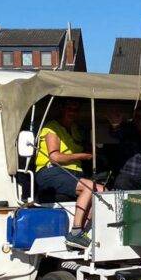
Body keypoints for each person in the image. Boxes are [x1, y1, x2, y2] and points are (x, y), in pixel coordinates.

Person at [34, 99, 104, 248]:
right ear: (62, 109)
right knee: (89, 187)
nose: (72, 112)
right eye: (69, 108)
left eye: (76, 109)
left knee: (102, 191)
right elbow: (55, 157)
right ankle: (75, 232)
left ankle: (87, 231)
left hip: (72, 173)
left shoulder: (75, 130)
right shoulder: (51, 128)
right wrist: (83, 155)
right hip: (51, 171)